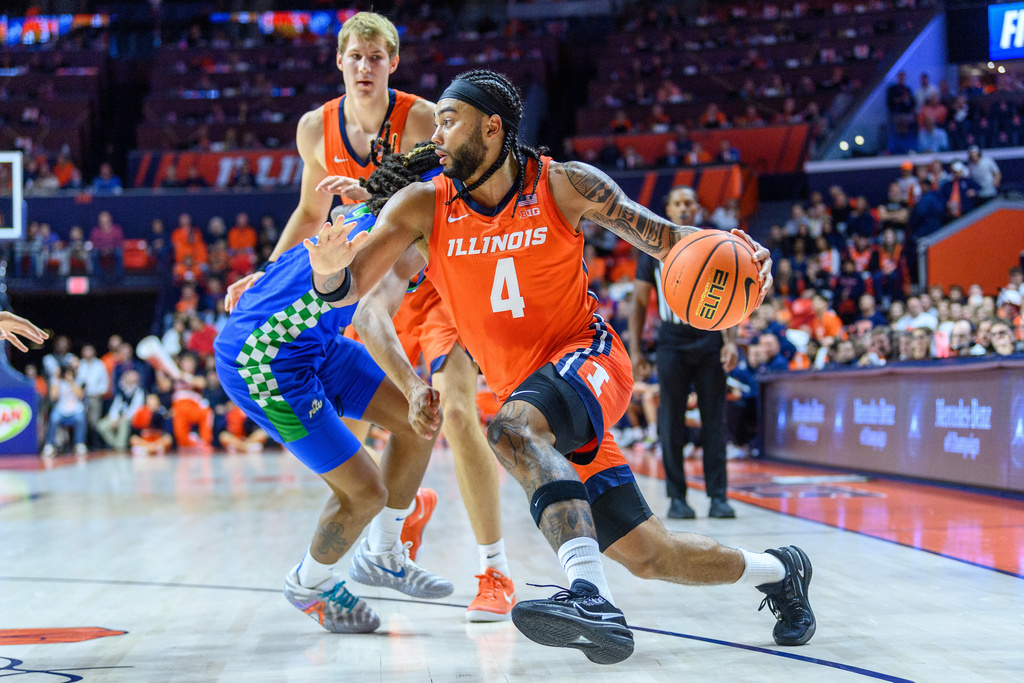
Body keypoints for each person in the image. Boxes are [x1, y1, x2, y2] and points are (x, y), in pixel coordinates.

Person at [302, 69, 815, 664]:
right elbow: (348, 293)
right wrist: (328, 269)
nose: (435, 134)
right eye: (435, 120)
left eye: (449, 120)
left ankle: (589, 597)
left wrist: (740, 252)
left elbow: (669, 239)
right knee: (651, 555)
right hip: (539, 402)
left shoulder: (564, 185)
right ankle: (781, 571)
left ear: (492, 128)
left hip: (590, 361)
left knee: (510, 430)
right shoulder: (423, 204)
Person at [214, 188, 454, 637]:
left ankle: (383, 552)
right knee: (365, 494)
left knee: (417, 422)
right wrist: (413, 382)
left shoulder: (374, 208)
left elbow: (344, 210)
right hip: (262, 362)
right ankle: (310, 582)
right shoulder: (404, 230)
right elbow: (367, 317)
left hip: (311, 344)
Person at [629, 185, 739, 521]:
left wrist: (730, 341)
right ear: (669, 208)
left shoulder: (715, 244)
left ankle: (718, 497)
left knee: (713, 422)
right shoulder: (653, 248)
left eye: (689, 203)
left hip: (710, 339)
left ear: (697, 209)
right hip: (672, 340)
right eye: (677, 203)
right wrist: (635, 349)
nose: (683, 208)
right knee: (671, 422)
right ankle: (677, 498)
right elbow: (638, 301)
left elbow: (731, 294)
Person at [42, 366, 88, 459]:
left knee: (80, 418)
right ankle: (50, 445)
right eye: (66, 373)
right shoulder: (58, 382)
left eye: (70, 373)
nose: (68, 375)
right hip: (61, 410)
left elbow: (80, 396)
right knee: (54, 418)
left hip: (75, 410)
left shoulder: (77, 381)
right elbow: (53, 397)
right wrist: (58, 379)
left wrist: (71, 382)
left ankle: (79, 443)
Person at [97, 369, 146, 451]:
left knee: (123, 423)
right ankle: (116, 444)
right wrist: (114, 419)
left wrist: (125, 417)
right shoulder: (121, 391)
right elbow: (115, 407)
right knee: (101, 426)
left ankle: (120, 446)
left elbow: (136, 408)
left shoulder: (139, 391)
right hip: (118, 417)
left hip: (130, 418)